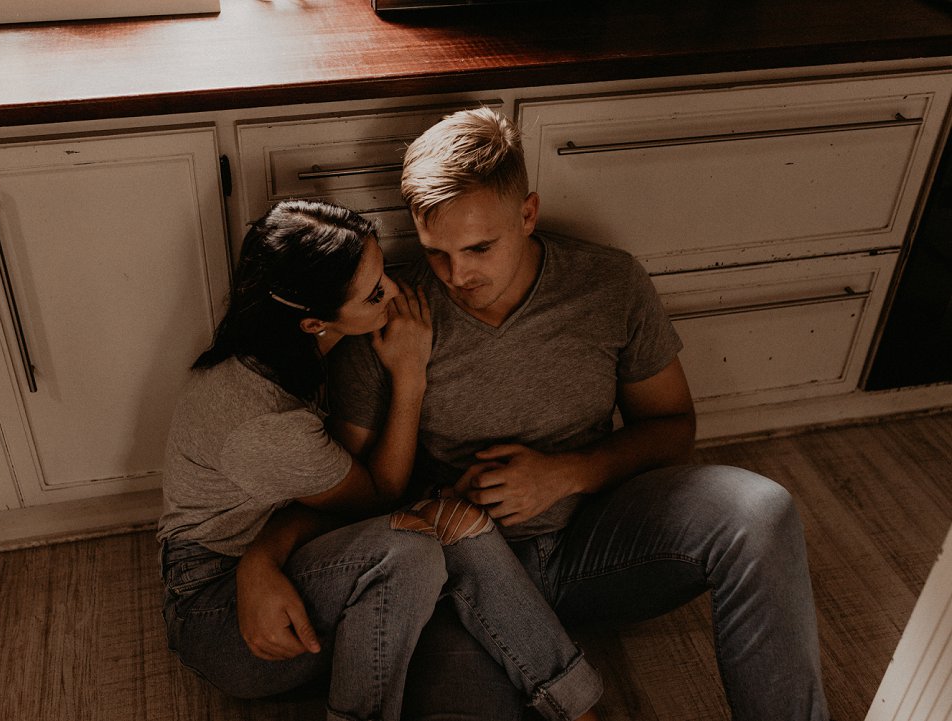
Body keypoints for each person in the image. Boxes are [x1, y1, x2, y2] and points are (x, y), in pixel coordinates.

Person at [328, 108, 830, 720]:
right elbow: (356, 499)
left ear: (527, 214)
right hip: (460, 581)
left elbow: (674, 430)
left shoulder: (608, 283)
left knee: (760, 510)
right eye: (436, 252)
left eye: (480, 247)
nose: (458, 275)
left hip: (595, 542)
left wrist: (566, 474)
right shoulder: (390, 316)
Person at [156, 199, 604, 721]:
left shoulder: (289, 350)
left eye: (384, 272)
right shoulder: (263, 421)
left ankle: (577, 708)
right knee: (409, 552)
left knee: (457, 522)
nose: (393, 291)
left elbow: (345, 503)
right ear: (313, 323)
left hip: (290, 552)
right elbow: (377, 498)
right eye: (374, 293)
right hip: (222, 610)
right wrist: (410, 375)